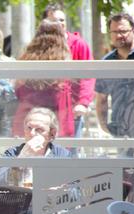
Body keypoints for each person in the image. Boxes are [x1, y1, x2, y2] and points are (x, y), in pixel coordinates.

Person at [12, 20, 75, 138]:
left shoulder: (27, 60)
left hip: (27, 123)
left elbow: (18, 91)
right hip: (55, 125)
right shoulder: (63, 66)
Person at [43, 3, 95, 138]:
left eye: (62, 20)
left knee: (70, 154)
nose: (59, 24)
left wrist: (83, 102)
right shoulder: (40, 47)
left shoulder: (79, 44)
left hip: (71, 111)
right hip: (44, 110)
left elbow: (88, 75)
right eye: (54, 21)